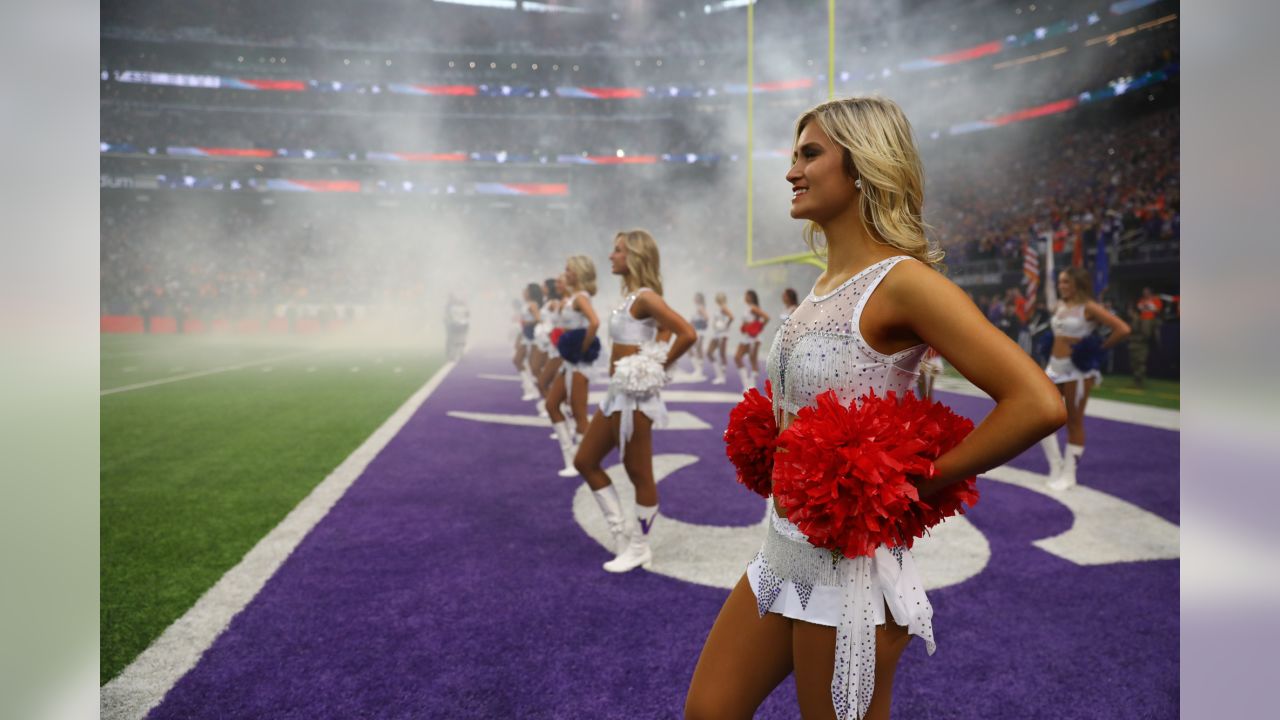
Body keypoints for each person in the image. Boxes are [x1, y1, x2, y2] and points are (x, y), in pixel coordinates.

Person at [685, 96, 1065, 720]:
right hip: (780, 551)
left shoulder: (903, 283)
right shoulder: (822, 285)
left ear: (860, 167)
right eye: (794, 155)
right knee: (708, 711)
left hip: (848, 572)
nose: (791, 171)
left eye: (810, 154)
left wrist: (913, 482)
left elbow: (1037, 402)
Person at [573, 230, 696, 572]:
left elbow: (687, 332)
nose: (611, 256)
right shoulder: (631, 299)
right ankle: (620, 535)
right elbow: (664, 331)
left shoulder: (645, 297)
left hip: (635, 400)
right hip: (616, 394)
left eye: (617, 251)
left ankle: (640, 547)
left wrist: (655, 366)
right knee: (585, 460)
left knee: (639, 474)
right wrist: (651, 351)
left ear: (635, 256)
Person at [1039, 266, 1131, 491]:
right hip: (1054, 368)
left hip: (1077, 371)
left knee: (1073, 421)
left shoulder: (1089, 307)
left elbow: (1122, 329)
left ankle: (1070, 474)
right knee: (1042, 416)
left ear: (1078, 284)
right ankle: (1055, 465)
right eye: (1060, 282)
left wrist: (1099, 349)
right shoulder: (1060, 305)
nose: (1061, 286)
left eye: (1066, 283)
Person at [546, 256, 601, 477]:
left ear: (577, 273)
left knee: (579, 414)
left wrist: (582, 348)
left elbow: (595, 322)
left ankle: (586, 461)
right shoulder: (572, 298)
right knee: (552, 405)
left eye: (568, 269)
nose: (565, 272)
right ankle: (571, 457)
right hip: (569, 362)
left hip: (578, 364)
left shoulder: (580, 297)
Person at [734, 290, 770, 389]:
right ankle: (749, 384)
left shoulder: (753, 308)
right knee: (750, 359)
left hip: (752, 338)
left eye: (746, 295)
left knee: (741, 358)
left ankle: (749, 385)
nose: (745, 297)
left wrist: (758, 327)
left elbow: (766, 317)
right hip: (747, 337)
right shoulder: (749, 308)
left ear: (751, 297)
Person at [1127, 286, 1162, 388]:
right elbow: (1139, 308)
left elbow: (1157, 310)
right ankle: (1136, 381)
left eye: (1146, 291)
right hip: (1140, 326)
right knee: (1134, 362)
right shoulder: (1141, 302)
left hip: (1149, 322)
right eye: (1144, 292)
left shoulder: (1155, 299)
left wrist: (1148, 307)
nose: (1144, 293)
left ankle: (1139, 382)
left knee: (1140, 361)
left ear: (1150, 292)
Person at [513, 283, 542, 401]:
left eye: (526, 290)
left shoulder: (533, 305)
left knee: (531, 365)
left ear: (530, 292)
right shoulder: (526, 305)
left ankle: (536, 390)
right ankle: (529, 387)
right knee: (518, 360)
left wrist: (528, 324)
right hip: (525, 336)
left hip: (533, 337)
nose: (523, 292)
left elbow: (539, 319)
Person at [709, 292, 734, 385]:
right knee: (709, 352)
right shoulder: (719, 308)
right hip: (717, 333)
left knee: (722, 354)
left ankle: (722, 377)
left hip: (722, 334)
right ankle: (719, 374)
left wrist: (725, 325)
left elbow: (731, 317)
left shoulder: (723, 307)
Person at [687, 292, 710, 380]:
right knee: (692, 349)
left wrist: (700, 324)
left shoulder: (700, 307)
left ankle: (699, 371)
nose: (694, 299)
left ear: (699, 299)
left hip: (699, 332)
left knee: (697, 349)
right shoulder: (696, 308)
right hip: (695, 331)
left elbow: (707, 318)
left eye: (696, 297)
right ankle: (698, 369)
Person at [443, 292, 469, 362]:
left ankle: (457, 354)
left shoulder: (454, 307)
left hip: (457, 324)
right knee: (453, 339)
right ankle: (453, 354)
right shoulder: (450, 306)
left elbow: (467, 315)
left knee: (457, 339)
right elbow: (447, 316)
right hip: (453, 324)